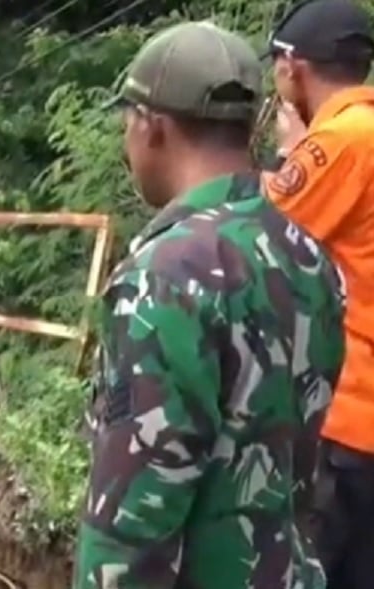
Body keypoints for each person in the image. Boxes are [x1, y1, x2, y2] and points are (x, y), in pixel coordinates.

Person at [74, 21, 347, 588]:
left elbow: (133, 526)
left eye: (128, 120)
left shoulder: (163, 280)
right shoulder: (307, 257)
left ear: (151, 127)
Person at [261, 1, 374, 586]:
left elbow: (260, 232)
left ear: (292, 67)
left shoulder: (340, 142)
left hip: (352, 415)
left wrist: (288, 153)